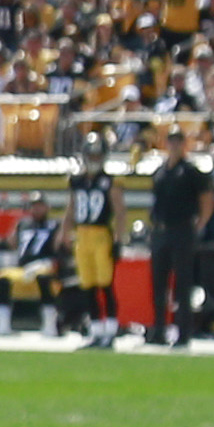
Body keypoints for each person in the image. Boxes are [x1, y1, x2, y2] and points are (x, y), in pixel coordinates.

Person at [147, 127, 214, 347]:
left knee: (182, 283)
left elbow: (208, 197)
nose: (175, 145)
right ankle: (159, 329)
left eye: (179, 141)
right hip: (161, 230)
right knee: (158, 283)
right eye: (171, 141)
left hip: (181, 229)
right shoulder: (160, 171)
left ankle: (183, 332)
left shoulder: (190, 171)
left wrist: (201, 222)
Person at [64, 142, 120, 346]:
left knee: (105, 284)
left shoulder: (109, 181)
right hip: (82, 234)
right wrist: (64, 232)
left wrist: (119, 239)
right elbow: (71, 207)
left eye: (98, 155)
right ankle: (96, 331)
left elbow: (119, 210)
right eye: (91, 154)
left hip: (101, 233)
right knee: (88, 285)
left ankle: (111, 331)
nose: (94, 159)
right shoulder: (76, 180)